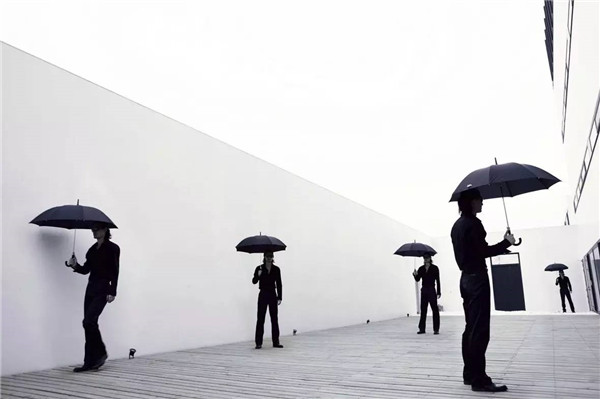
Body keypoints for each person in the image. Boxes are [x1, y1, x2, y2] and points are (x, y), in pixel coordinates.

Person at [450, 188, 516, 392]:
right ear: (471, 202)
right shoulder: (474, 224)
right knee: (480, 331)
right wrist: (507, 242)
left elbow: (473, 251)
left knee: (470, 327)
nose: (483, 203)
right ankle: (480, 380)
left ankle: (469, 374)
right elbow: (482, 251)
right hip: (478, 280)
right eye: (480, 200)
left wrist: (502, 247)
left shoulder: (457, 226)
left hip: (465, 280)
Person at [66, 223, 120, 372]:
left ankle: (100, 353)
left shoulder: (113, 248)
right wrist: (75, 265)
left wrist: (112, 291)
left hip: (103, 289)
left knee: (88, 321)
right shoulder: (92, 250)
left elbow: (115, 271)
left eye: (97, 229)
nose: (94, 232)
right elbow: (86, 270)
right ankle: (89, 362)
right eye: (92, 229)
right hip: (90, 289)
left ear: (105, 230)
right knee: (88, 324)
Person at [252, 252, 283, 349]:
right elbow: (254, 281)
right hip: (263, 293)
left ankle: (276, 342)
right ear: (264, 257)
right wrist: (258, 275)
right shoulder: (259, 268)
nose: (269, 258)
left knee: (274, 318)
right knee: (260, 318)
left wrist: (280, 297)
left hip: (272, 294)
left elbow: (279, 283)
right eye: (267, 256)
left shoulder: (276, 269)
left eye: (271, 256)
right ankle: (258, 342)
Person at [412, 255, 441, 334]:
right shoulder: (421, 268)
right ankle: (422, 329)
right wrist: (415, 274)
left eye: (427, 258)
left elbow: (438, 280)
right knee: (423, 310)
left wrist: (438, 292)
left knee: (435, 310)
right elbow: (418, 279)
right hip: (424, 290)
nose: (425, 259)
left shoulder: (435, 268)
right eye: (424, 258)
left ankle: (436, 329)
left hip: (431, 289)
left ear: (430, 258)